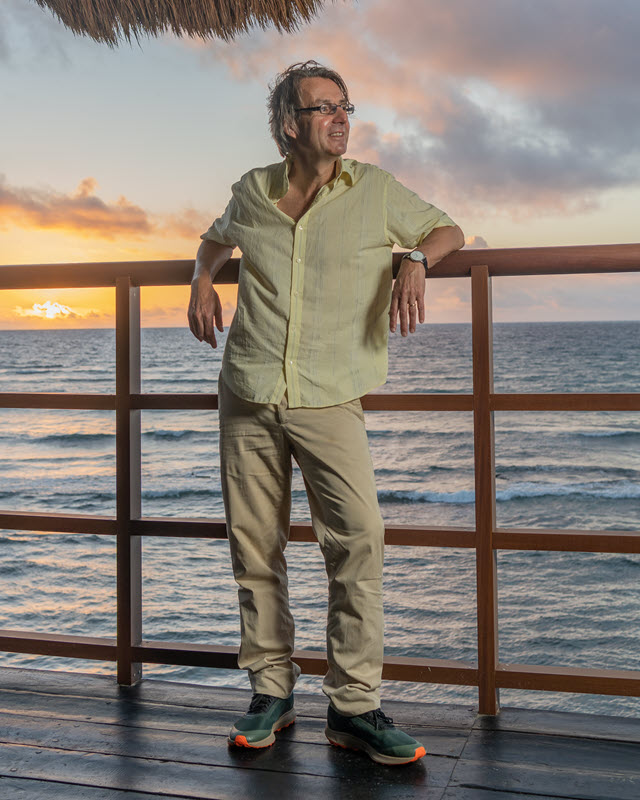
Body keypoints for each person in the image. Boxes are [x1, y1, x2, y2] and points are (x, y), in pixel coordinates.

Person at [188, 60, 464, 766]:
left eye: (346, 106)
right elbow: (216, 236)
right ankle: (271, 691)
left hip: (330, 395)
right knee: (255, 547)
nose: (341, 118)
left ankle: (354, 706)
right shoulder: (253, 191)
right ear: (289, 124)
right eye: (324, 108)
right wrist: (202, 278)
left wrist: (416, 262)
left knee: (359, 540)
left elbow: (448, 230)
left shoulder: (373, 190)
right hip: (247, 390)